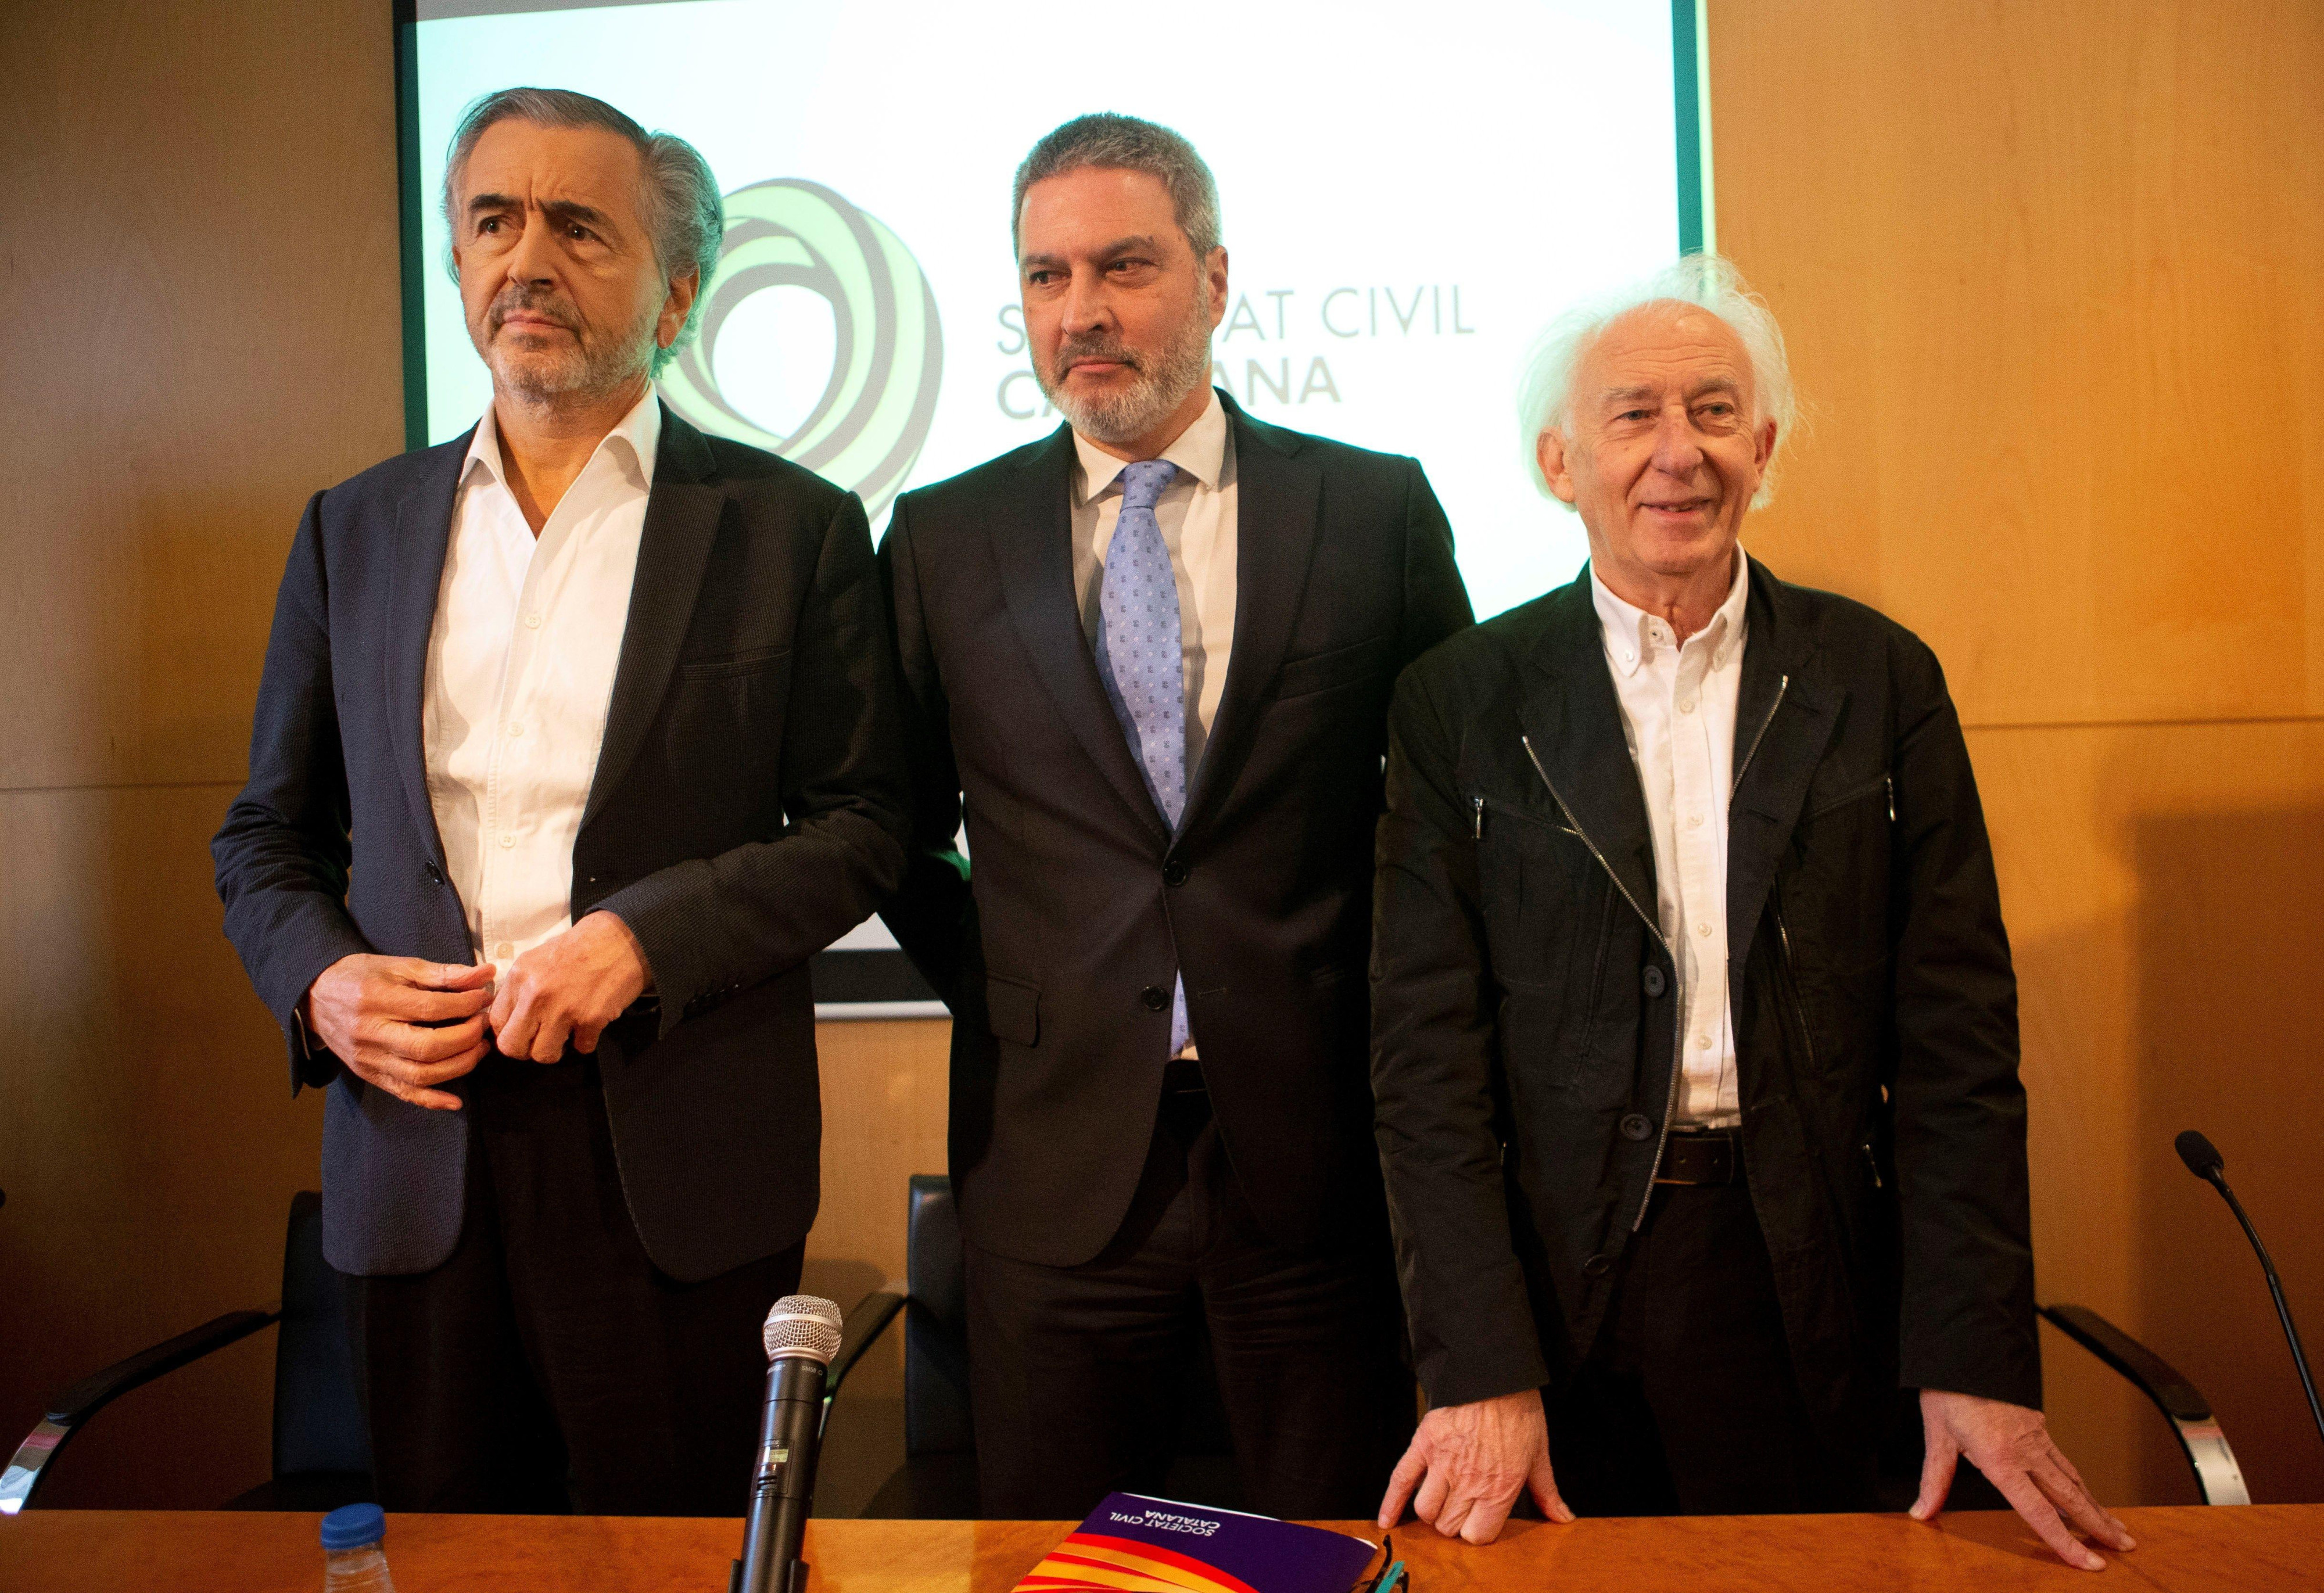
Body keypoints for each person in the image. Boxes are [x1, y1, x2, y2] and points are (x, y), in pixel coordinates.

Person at [1368, 256, 2134, 1570]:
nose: (1679, 452)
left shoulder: (1876, 680)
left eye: (1715, 413)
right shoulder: (1459, 702)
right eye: (1633, 416)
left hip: (1819, 1274)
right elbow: (1423, 1066)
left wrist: (1969, 1353)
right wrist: (1477, 1366)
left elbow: (1957, 1048)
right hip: (1560, 1295)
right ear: (1559, 461)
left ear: (1763, 447)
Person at [211, 88, 908, 1514]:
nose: (525, 258)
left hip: (675, 1154)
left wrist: (647, 938)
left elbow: (868, 823)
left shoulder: (790, 530)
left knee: (670, 1555)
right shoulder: (355, 527)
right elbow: (266, 836)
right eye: (492, 221)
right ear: (460, 266)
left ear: (681, 291)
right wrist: (322, 983)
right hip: (417, 1149)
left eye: (579, 227)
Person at [878, 113, 1473, 1519]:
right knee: (1064, 1558)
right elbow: (887, 825)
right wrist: (1011, 989)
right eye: (1043, 276)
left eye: (1123, 267)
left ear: (1213, 277)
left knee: (1332, 1545)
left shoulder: (1372, 512)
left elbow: (1448, 821)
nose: (1079, 311)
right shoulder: (940, 538)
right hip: (1053, 1166)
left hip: (1314, 1156)